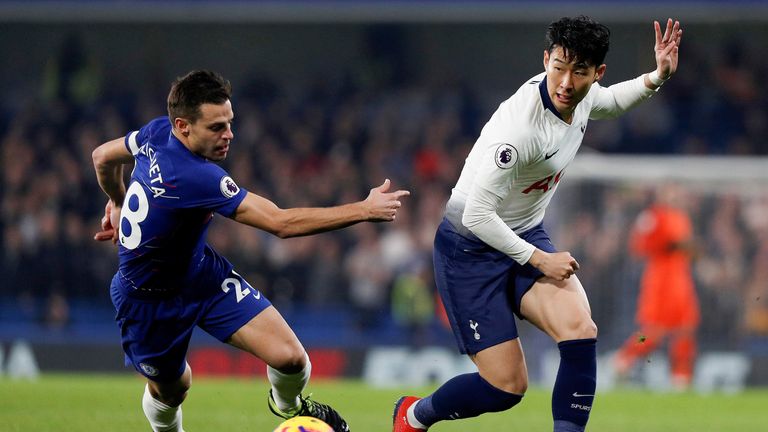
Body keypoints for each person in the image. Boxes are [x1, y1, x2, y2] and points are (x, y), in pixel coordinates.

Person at [393, 16, 682, 432]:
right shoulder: (518, 132)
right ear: (546, 58)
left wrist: (657, 77)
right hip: (469, 250)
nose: (565, 81)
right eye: (558, 66)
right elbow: (476, 216)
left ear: (596, 73)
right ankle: (413, 416)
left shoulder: (581, 96)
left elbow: (612, 102)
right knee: (506, 388)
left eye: (579, 72)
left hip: (522, 232)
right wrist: (540, 260)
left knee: (580, 329)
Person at [92, 70, 409, 432]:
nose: (229, 135)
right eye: (216, 128)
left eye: (229, 123)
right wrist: (364, 210)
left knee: (291, 359)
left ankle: (290, 407)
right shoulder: (195, 177)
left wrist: (117, 201)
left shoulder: (155, 133)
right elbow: (280, 224)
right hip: (147, 301)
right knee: (173, 391)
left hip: (201, 277)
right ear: (183, 126)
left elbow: (103, 156)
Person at [614, 183, 700, 389]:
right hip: (660, 280)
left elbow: (687, 249)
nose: (674, 196)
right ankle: (624, 358)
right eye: (670, 191)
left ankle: (681, 378)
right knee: (652, 331)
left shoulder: (681, 217)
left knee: (685, 329)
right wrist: (669, 244)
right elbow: (639, 246)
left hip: (681, 280)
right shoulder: (651, 217)